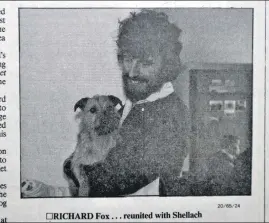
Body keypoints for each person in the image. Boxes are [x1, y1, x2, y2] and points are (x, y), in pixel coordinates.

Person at [67, 9, 189, 196]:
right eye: (128, 59)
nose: (132, 72)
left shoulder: (173, 113)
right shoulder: (129, 107)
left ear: (167, 66)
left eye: (146, 63)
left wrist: (77, 169)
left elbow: (121, 179)